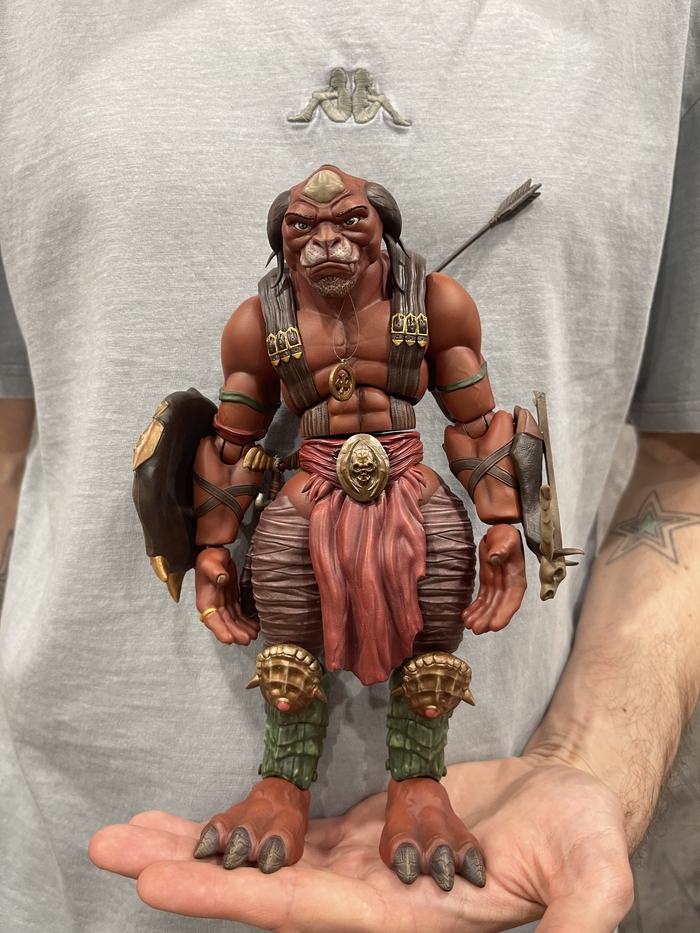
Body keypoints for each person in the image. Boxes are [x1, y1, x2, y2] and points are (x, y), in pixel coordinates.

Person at [2, 3, 700, 931]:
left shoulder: (435, 306)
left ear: (381, 231)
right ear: (282, 241)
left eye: (347, 222)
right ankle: (281, 784)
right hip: (302, 498)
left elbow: (479, 422)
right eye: (305, 228)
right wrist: (211, 550)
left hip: (412, 485)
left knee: (437, 613)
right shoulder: (261, 325)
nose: (326, 241)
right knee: (285, 611)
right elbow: (234, 444)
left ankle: (420, 784)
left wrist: (503, 527)